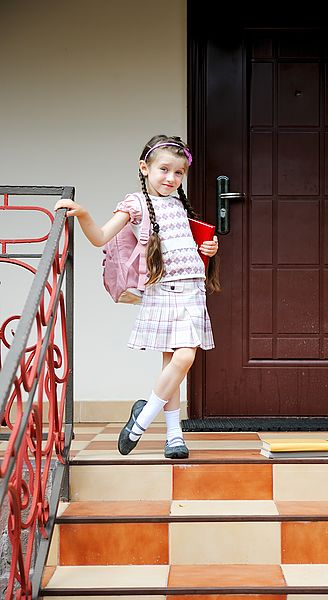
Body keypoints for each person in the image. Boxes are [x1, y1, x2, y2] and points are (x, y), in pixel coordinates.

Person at [54, 134, 219, 459]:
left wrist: (208, 249)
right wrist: (84, 214)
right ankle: (142, 420)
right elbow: (101, 237)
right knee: (184, 358)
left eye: (178, 173)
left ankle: (173, 437)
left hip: (193, 291)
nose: (171, 178)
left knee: (173, 364)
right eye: (164, 170)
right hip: (166, 292)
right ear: (144, 168)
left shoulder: (177, 203)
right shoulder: (136, 203)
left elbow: (183, 247)